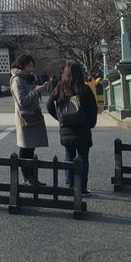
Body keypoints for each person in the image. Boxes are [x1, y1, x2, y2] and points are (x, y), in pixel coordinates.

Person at [46, 61, 99, 196]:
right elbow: (93, 109)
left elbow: (49, 105)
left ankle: (70, 185)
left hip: (66, 129)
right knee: (83, 158)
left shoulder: (60, 88)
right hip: (82, 129)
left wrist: (61, 118)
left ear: (65, 74)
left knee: (69, 156)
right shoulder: (84, 89)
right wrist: (89, 123)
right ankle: (81, 188)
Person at [10, 53, 51, 185]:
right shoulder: (17, 79)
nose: (31, 69)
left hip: (33, 116)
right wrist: (36, 91)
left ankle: (31, 177)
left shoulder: (29, 78)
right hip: (25, 118)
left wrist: (39, 89)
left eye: (33, 66)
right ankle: (27, 177)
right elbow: (22, 100)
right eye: (29, 66)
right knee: (25, 148)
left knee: (30, 148)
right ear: (22, 65)